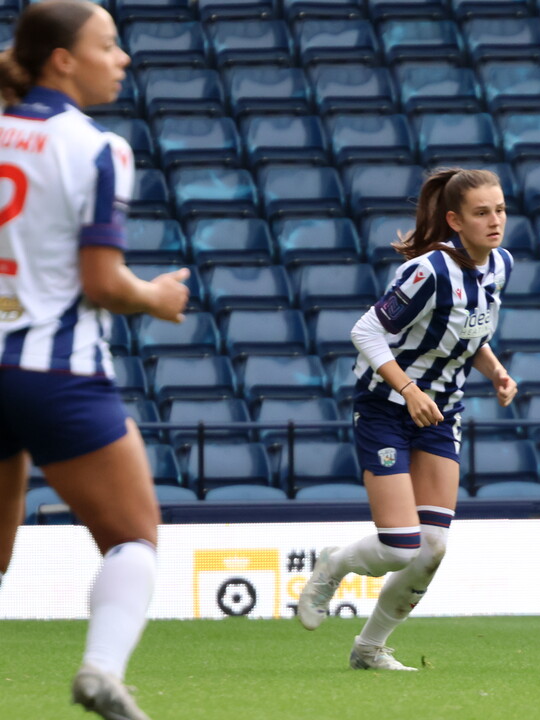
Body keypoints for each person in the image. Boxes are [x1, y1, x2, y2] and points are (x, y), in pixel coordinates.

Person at [0, 2, 189, 718]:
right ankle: (102, 671)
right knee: (133, 538)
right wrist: (156, 297)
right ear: (62, 59)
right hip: (56, 373)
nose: (123, 58)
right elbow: (103, 283)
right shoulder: (98, 148)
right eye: (108, 45)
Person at [298, 167, 517, 670]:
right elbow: (365, 332)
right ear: (455, 221)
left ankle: (368, 649)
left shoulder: (501, 265)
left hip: (440, 412)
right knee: (400, 548)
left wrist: (497, 373)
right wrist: (408, 389)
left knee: (433, 547)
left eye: (500, 210)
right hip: (386, 408)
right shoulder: (429, 271)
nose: (495, 221)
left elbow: (470, 335)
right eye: (482, 213)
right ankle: (334, 565)